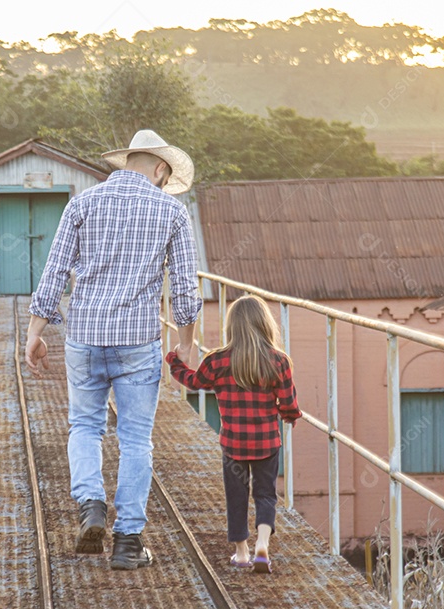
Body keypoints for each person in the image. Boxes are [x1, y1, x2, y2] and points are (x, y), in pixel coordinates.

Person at [25, 129, 202, 571]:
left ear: (128, 161)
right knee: (136, 439)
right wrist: (185, 342)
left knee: (84, 425)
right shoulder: (171, 211)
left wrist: (34, 331)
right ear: (161, 168)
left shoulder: (82, 204)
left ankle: (91, 507)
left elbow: (55, 270)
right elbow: (184, 286)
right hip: (138, 341)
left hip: (84, 335)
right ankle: (127, 543)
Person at [166, 295, 300, 574]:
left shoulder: (216, 360)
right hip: (266, 442)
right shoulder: (279, 361)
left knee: (236, 495)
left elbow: (193, 381)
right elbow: (288, 403)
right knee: (266, 495)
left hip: (233, 443)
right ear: (265, 325)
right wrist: (290, 416)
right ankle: (263, 544)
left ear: (232, 327)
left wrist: (175, 361)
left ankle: (241, 553)